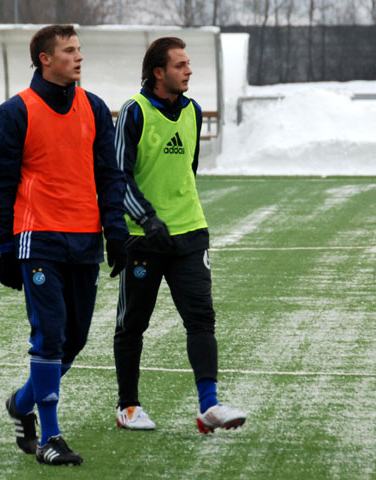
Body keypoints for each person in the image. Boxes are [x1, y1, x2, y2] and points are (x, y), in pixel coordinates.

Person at [0, 25, 128, 466]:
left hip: (85, 240)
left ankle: (21, 403)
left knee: (73, 341)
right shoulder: (14, 112)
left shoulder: (94, 108)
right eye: (69, 50)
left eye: (79, 49)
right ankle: (50, 437)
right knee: (50, 336)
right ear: (45, 59)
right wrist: (6, 246)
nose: (78, 57)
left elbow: (110, 175)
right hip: (38, 237)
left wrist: (115, 231)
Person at [113, 37, 247, 433]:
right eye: (180, 65)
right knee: (132, 324)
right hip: (143, 238)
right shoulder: (133, 111)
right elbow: (118, 177)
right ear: (158, 72)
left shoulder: (194, 111)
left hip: (190, 234)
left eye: (189, 64)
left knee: (201, 319)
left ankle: (209, 406)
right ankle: (128, 407)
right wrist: (147, 218)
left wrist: (179, 215)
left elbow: (188, 169)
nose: (189, 71)